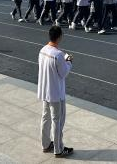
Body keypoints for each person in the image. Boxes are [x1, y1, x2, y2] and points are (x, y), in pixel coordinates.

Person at [37, 26, 73, 157]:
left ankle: (45, 144)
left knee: (45, 118)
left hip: (45, 90)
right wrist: (69, 62)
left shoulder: (42, 50)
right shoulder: (58, 55)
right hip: (56, 93)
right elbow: (63, 73)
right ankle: (58, 149)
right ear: (59, 37)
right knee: (57, 121)